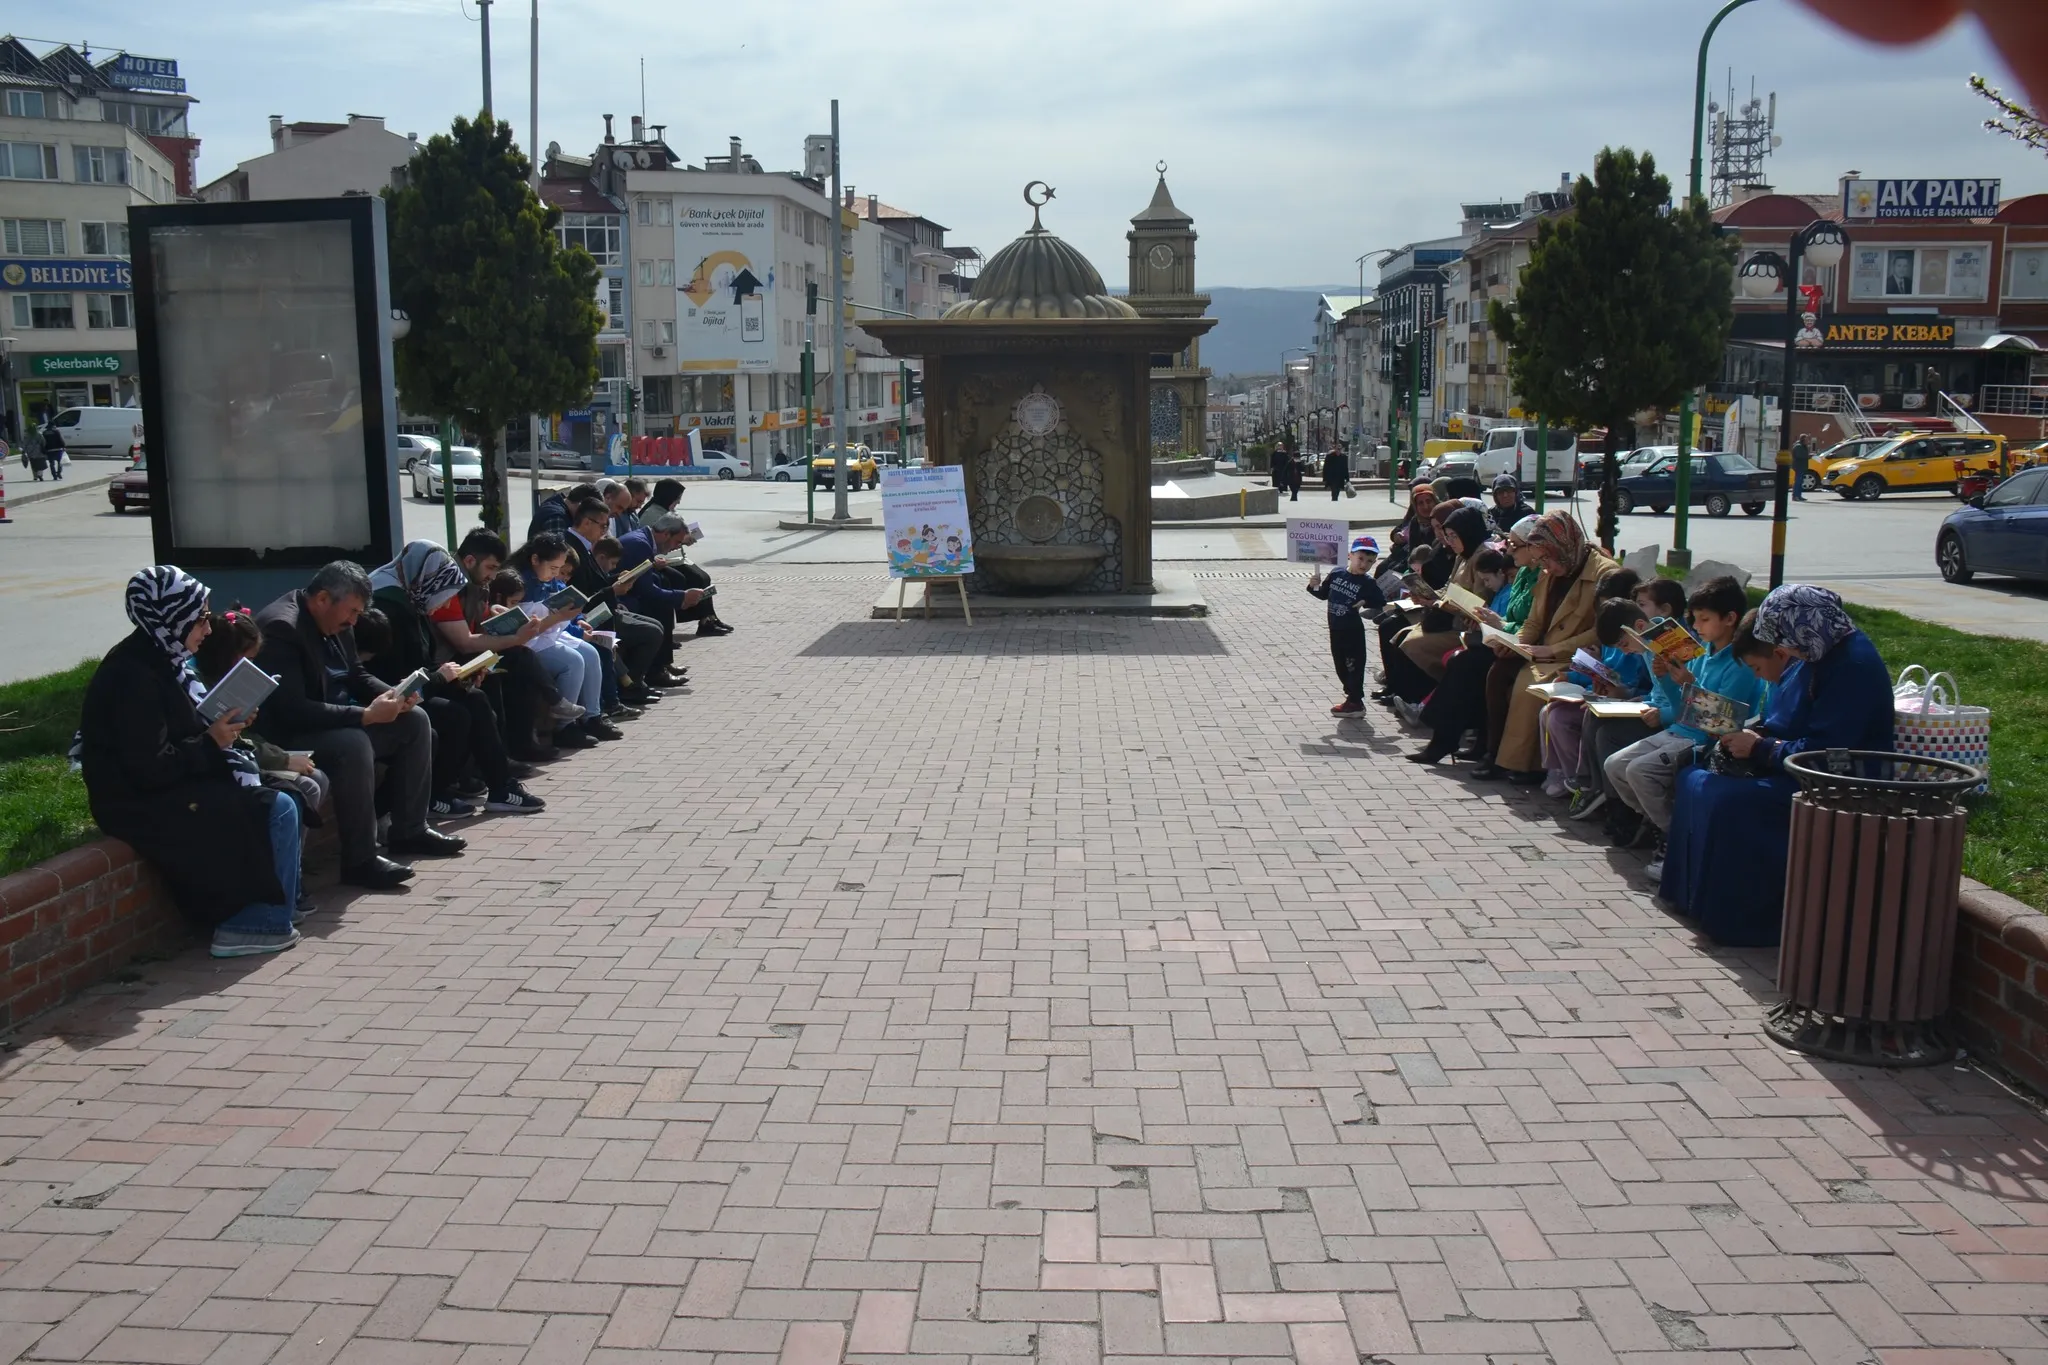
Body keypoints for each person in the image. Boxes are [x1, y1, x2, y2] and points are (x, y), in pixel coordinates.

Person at [79, 567, 302, 957]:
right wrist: (211, 741)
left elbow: (180, 734)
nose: (208, 629)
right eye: (199, 618)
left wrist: (225, 728)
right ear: (171, 617)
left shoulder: (165, 659)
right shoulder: (132, 675)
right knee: (274, 808)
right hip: (135, 800)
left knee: (279, 796)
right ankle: (251, 922)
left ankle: (272, 908)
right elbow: (149, 766)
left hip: (168, 783)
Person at [1661, 585, 1895, 947]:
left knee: (1728, 801)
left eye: (1784, 642)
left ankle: (1743, 921)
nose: (1786, 652)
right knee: (1694, 778)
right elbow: (1788, 720)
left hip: (1842, 780)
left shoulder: (1852, 667)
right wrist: (1759, 736)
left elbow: (1835, 754)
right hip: (1796, 765)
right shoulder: (1818, 651)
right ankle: (1693, 901)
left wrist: (1764, 749)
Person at [254, 561, 465, 891]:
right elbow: (291, 710)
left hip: (336, 719)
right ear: (323, 599)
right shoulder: (282, 629)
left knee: (414, 720)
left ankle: (410, 830)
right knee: (353, 744)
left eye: (358, 613)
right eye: (351, 611)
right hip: (290, 733)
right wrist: (365, 716)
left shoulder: (339, 622)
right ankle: (360, 860)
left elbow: (356, 674)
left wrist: (393, 696)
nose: (354, 621)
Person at [366, 540, 544, 815]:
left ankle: (500, 787)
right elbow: (396, 670)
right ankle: (436, 794)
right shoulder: (388, 605)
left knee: (475, 698)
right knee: (456, 715)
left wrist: (455, 675)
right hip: (392, 693)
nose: (442, 601)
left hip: (417, 684)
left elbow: (419, 659)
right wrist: (441, 678)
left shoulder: (412, 593)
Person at [1603, 575, 1763, 864]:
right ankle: (1664, 824)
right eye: (1695, 619)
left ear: (1729, 619)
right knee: (1615, 766)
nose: (1697, 627)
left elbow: (1719, 722)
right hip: (1681, 729)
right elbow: (1682, 710)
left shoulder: (1740, 663)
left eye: (1704, 620)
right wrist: (1667, 679)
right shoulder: (1702, 654)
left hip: (1704, 739)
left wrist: (1690, 686)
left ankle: (1675, 837)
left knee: (1640, 771)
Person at [1481, 511, 1617, 784]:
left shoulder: (1605, 572)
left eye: (1548, 558)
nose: (1546, 567)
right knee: (1496, 672)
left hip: (1576, 656)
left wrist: (1552, 650)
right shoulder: (1549, 572)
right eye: (1541, 560)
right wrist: (1517, 643)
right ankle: (1492, 753)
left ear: (1564, 547)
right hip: (1543, 650)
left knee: (1526, 686)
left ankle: (1524, 765)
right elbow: (1534, 619)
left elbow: (1603, 629)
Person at [509, 531, 620, 747]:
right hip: (530, 643)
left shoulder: (548, 579)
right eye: (553, 568)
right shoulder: (521, 583)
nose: (556, 574)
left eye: (559, 570)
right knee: (573, 662)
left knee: (590, 653)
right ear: (535, 560)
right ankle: (564, 727)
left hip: (552, 636)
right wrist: (561, 617)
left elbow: (565, 595)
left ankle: (592, 716)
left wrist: (577, 619)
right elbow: (528, 630)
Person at [1538, 596, 1654, 800]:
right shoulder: (1636, 643)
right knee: (1552, 711)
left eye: (1624, 644)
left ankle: (1597, 789)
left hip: (1649, 710)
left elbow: (1666, 695)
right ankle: (1578, 779)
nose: (1624, 650)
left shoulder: (1649, 647)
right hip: (1620, 698)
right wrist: (1576, 676)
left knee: (1590, 726)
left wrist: (1630, 696)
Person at [1308, 535, 1388, 714]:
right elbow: (1322, 594)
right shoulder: (1337, 573)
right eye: (1360, 558)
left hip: (1353, 632)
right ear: (1350, 556)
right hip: (1335, 629)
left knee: (1354, 666)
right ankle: (1351, 698)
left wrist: (1365, 601)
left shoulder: (1367, 582)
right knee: (1340, 666)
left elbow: (1379, 600)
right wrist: (1313, 585)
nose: (1364, 564)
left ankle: (1355, 701)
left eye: (1369, 561)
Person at [39, 415, 64, 480]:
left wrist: (44, 449)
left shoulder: (44, 433)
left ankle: (54, 476)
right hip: (58, 449)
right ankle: (59, 473)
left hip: (49, 450)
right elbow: (60, 440)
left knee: (51, 464)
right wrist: (63, 446)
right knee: (59, 462)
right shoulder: (56, 431)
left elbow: (43, 442)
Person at [1791, 435, 1810, 501]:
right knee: (1798, 481)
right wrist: (1808, 456)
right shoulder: (1798, 446)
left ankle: (1799, 495)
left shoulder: (1803, 446)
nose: (1808, 441)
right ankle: (1795, 496)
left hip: (1802, 466)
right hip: (1799, 466)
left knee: (1800, 481)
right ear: (1803, 439)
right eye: (1807, 439)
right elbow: (1799, 455)